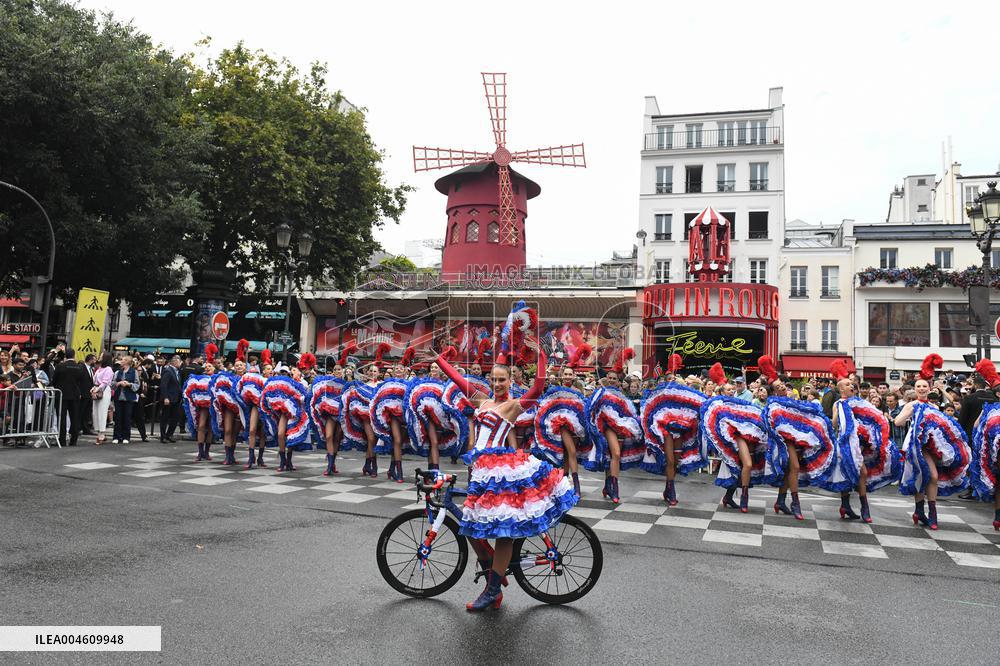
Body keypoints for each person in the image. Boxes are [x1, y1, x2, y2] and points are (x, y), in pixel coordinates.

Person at [432, 325, 575, 612]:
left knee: (504, 531)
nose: (497, 384)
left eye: (502, 380)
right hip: (481, 470)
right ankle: (492, 574)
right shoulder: (481, 401)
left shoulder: (511, 406)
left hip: (502, 471)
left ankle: (493, 590)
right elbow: (459, 380)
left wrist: (542, 357)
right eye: (494, 379)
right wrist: (439, 361)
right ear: (489, 380)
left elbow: (537, 387)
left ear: (509, 381)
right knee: (471, 525)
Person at [51, 348, 88, 447]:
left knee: (61, 417)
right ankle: (74, 440)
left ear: (65, 356)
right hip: (75, 394)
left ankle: (62, 440)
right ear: (74, 355)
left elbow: (54, 380)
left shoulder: (60, 366)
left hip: (61, 394)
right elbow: (81, 381)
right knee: (74, 417)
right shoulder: (79, 367)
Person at [110, 355, 140, 444]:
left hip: (129, 397)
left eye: (123, 360)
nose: (121, 361)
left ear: (127, 362)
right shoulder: (117, 372)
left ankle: (126, 437)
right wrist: (118, 383)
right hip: (118, 397)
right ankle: (116, 436)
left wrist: (129, 384)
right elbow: (112, 384)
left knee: (127, 417)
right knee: (118, 417)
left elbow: (137, 385)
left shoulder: (134, 372)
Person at [91, 353, 114, 445]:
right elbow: (95, 380)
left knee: (102, 412)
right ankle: (99, 432)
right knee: (95, 412)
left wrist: (98, 388)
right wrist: (94, 388)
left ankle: (102, 433)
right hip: (97, 389)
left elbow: (105, 382)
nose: (99, 357)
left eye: (101, 355)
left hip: (104, 390)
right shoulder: (100, 368)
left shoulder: (108, 369)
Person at [159, 356, 183, 442]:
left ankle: (169, 434)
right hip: (169, 398)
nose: (181, 364)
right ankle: (163, 436)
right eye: (180, 362)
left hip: (176, 398)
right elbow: (164, 385)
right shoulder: (168, 371)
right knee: (165, 418)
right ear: (175, 362)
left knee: (175, 417)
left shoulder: (177, 372)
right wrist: (165, 397)